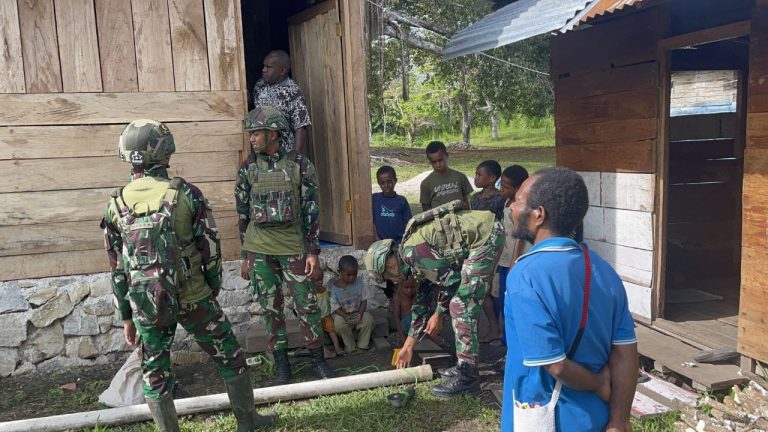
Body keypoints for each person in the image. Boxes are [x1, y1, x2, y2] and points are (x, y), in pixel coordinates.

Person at [102, 120, 275, 431]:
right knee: (231, 358)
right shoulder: (186, 194)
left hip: (147, 304)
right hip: (195, 297)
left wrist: (127, 315)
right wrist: (211, 287)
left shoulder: (116, 204)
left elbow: (117, 267)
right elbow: (210, 247)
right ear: (166, 153)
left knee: (154, 371)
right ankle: (249, 424)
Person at [502, 167, 638, 431]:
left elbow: (556, 364)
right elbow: (625, 353)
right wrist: (620, 421)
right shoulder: (605, 272)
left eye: (518, 200)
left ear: (539, 214)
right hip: (596, 418)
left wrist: (599, 383)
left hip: (546, 417)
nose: (511, 207)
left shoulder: (525, 275)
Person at [235, 106, 334, 386]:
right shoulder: (247, 168)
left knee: (307, 306)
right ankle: (282, 366)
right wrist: (245, 255)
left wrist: (313, 250)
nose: (251, 139)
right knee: (270, 309)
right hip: (259, 250)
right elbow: (241, 212)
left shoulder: (299, 164)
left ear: (273, 133)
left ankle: (318, 361)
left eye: (256, 133)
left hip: (294, 249)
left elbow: (312, 208)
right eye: (251, 133)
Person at [365, 200, 504, 397]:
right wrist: (407, 347)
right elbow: (422, 302)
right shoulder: (412, 259)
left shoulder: (413, 253)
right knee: (460, 305)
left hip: (486, 237)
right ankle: (464, 365)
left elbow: (452, 280)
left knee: (461, 306)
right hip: (482, 235)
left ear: (389, 265)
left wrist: (438, 314)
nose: (393, 282)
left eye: (388, 278)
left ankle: (468, 378)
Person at [470, 160, 506, 344]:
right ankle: (492, 327)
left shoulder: (500, 199)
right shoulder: (475, 199)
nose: (476, 178)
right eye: (475, 174)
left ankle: (497, 328)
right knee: (481, 291)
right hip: (478, 249)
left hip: (496, 250)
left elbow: (502, 226)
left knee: (493, 292)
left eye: (479, 175)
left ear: (492, 178)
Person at [496, 165, 531, 346]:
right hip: (504, 261)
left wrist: (513, 264)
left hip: (515, 262)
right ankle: (506, 338)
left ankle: (515, 340)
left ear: (518, 188)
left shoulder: (519, 208)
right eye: (500, 185)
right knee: (503, 299)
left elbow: (520, 237)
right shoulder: (506, 202)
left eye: (505, 187)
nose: (501, 189)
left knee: (513, 300)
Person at [252, 50, 311, 156]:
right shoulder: (260, 86)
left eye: (269, 67)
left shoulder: (292, 92)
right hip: (262, 152)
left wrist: (295, 156)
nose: (264, 70)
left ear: (282, 70)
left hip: (283, 153)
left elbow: (301, 126)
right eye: (264, 66)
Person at [330, 255, 376, 354]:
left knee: (368, 319)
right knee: (338, 323)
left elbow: (364, 301)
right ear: (340, 272)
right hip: (343, 316)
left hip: (357, 313)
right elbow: (334, 306)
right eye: (348, 275)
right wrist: (344, 316)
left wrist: (360, 314)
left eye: (354, 274)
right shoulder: (334, 288)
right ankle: (350, 347)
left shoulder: (360, 283)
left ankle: (362, 345)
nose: (352, 278)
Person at [419, 141, 473, 212]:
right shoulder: (426, 184)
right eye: (434, 162)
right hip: (439, 221)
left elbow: (467, 202)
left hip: (462, 218)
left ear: (447, 155)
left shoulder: (460, 177)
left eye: (440, 160)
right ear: (429, 161)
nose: (438, 164)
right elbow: (426, 210)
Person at [372, 165, 412, 244]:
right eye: (382, 183)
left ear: (395, 181)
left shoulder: (401, 201)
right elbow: (372, 221)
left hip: (399, 243)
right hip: (381, 243)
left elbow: (408, 224)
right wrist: (376, 238)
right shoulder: (374, 199)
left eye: (389, 182)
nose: (386, 186)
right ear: (378, 183)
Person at [313, 270, 344, 359]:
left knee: (332, 330)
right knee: (318, 333)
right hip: (316, 318)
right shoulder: (311, 294)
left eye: (321, 279)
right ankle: (324, 350)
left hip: (326, 316)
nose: (320, 282)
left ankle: (337, 346)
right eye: (317, 280)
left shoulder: (326, 290)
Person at [392, 276, 417, 344]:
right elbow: (396, 317)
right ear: (401, 286)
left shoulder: (415, 295)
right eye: (406, 287)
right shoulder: (398, 297)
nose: (409, 290)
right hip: (405, 324)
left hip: (415, 322)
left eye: (412, 287)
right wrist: (401, 334)